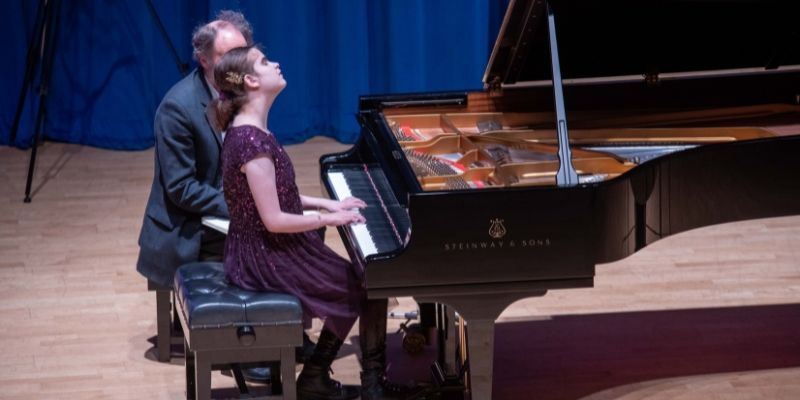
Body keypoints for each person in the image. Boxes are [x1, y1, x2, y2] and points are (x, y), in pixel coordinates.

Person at [212, 46, 421, 400]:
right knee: (365, 285)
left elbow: (280, 193)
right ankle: (336, 379)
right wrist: (330, 218)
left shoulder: (250, 130)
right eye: (265, 62)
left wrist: (329, 202)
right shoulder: (251, 141)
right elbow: (275, 219)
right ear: (250, 80)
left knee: (364, 281)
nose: (276, 62)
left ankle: (323, 376)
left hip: (262, 246)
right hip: (266, 255)